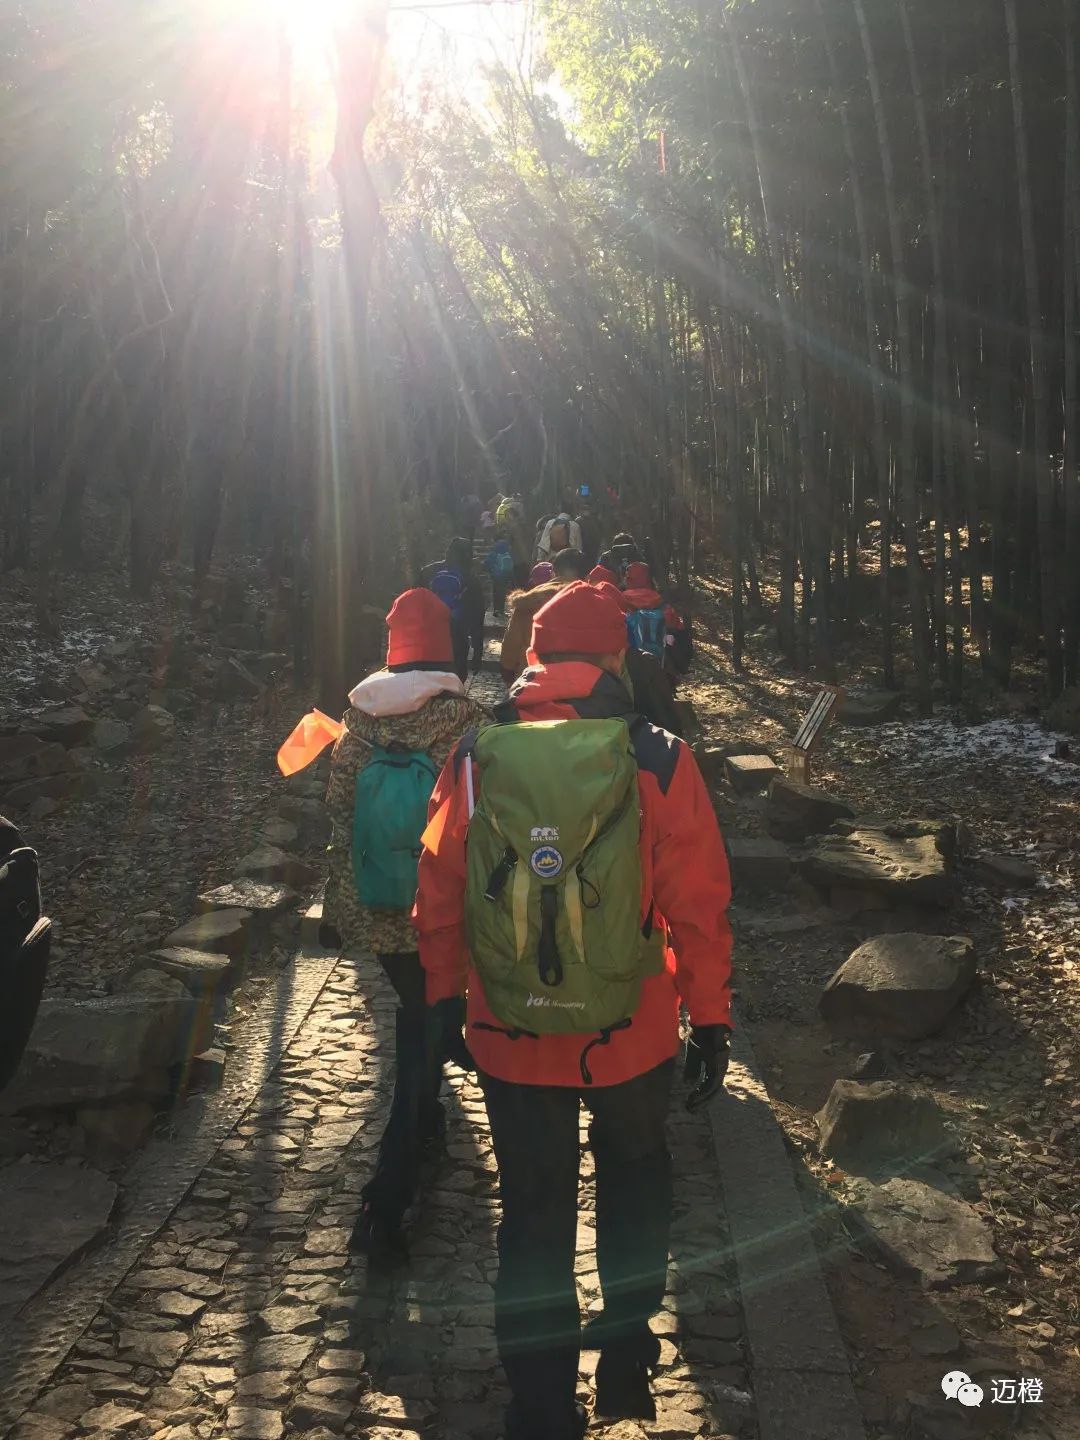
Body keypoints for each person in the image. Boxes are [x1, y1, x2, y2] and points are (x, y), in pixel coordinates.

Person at [415, 582, 733, 1440]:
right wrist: (710, 1018)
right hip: (631, 1029)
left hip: (510, 1030)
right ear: (617, 656)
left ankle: (542, 1406)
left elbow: (439, 890)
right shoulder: (658, 757)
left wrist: (444, 998)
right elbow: (698, 906)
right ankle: (625, 1353)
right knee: (636, 1179)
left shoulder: (476, 756)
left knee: (533, 1214)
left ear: (533, 658)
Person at [322, 589, 486, 1263]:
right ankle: (385, 1201)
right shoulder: (467, 724)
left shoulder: (355, 723)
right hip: (443, 912)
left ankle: (427, 1122)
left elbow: (338, 814)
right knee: (427, 1024)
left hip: (376, 909)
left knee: (419, 1012)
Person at [431, 537, 485, 680]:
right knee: (455, 683)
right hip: (457, 643)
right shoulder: (472, 581)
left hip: (428, 641)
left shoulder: (428, 572)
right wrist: (477, 653)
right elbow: (477, 620)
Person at [621, 561, 668, 662]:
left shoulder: (621, 600)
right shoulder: (659, 600)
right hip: (657, 658)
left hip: (630, 657)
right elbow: (677, 627)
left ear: (629, 579)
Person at [497, 494, 532, 586]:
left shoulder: (513, 528)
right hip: (525, 559)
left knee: (519, 582)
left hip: (517, 560)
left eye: (507, 515)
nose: (506, 518)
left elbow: (509, 542)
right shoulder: (524, 526)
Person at [484, 536, 515, 617]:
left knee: (496, 593)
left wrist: (490, 571)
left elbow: (487, 564)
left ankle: (496, 610)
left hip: (496, 577)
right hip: (505, 577)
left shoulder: (494, 554)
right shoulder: (507, 553)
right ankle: (501, 610)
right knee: (502, 593)